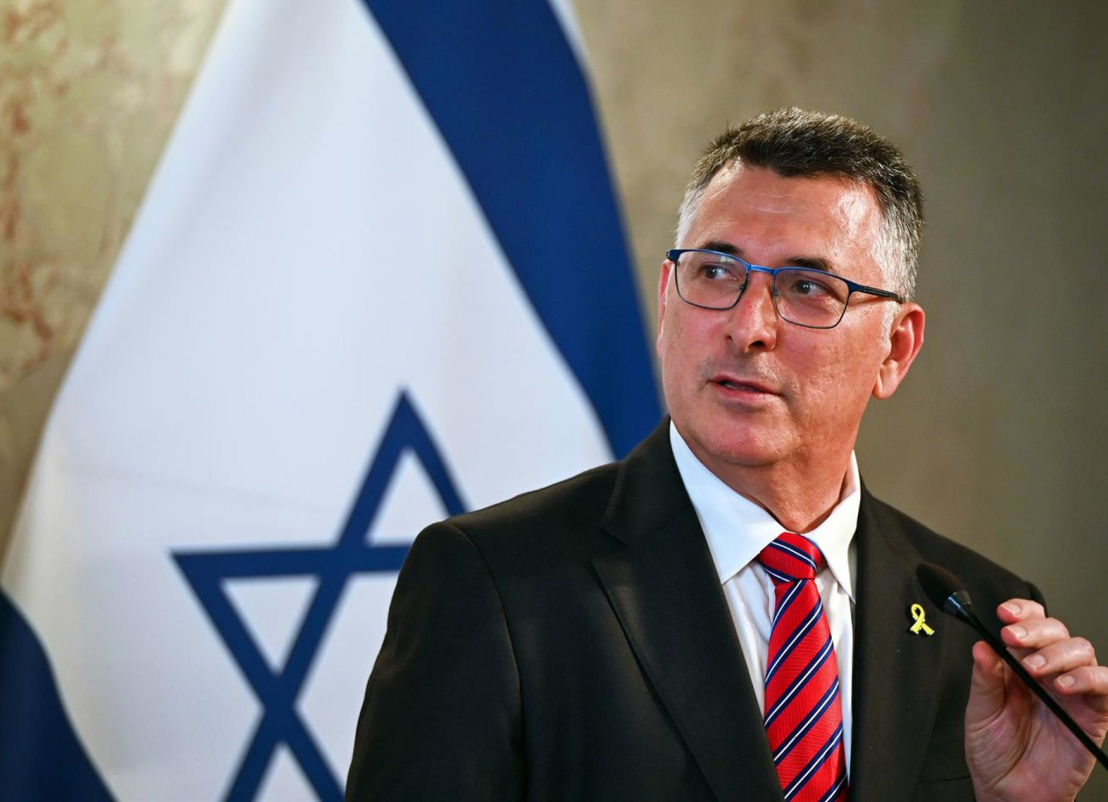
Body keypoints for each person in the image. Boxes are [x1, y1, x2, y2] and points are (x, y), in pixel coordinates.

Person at [345, 108, 1108, 802]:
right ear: (666, 301)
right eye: (715, 273)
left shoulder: (983, 628)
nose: (749, 328)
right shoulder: (494, 586)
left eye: (807, 287)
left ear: (895, 350)